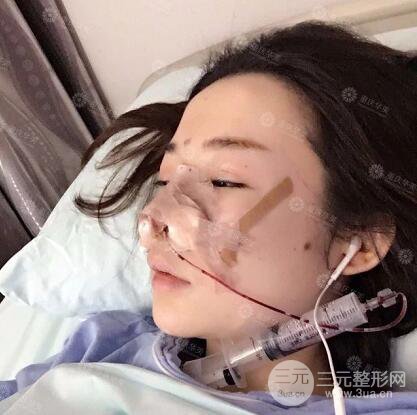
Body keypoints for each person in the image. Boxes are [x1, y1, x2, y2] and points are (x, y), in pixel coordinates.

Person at [1, 20, 417, 413]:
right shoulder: (104, 344)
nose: (151, 222)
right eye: (164, 181)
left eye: (224, 181)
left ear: (359, 241)